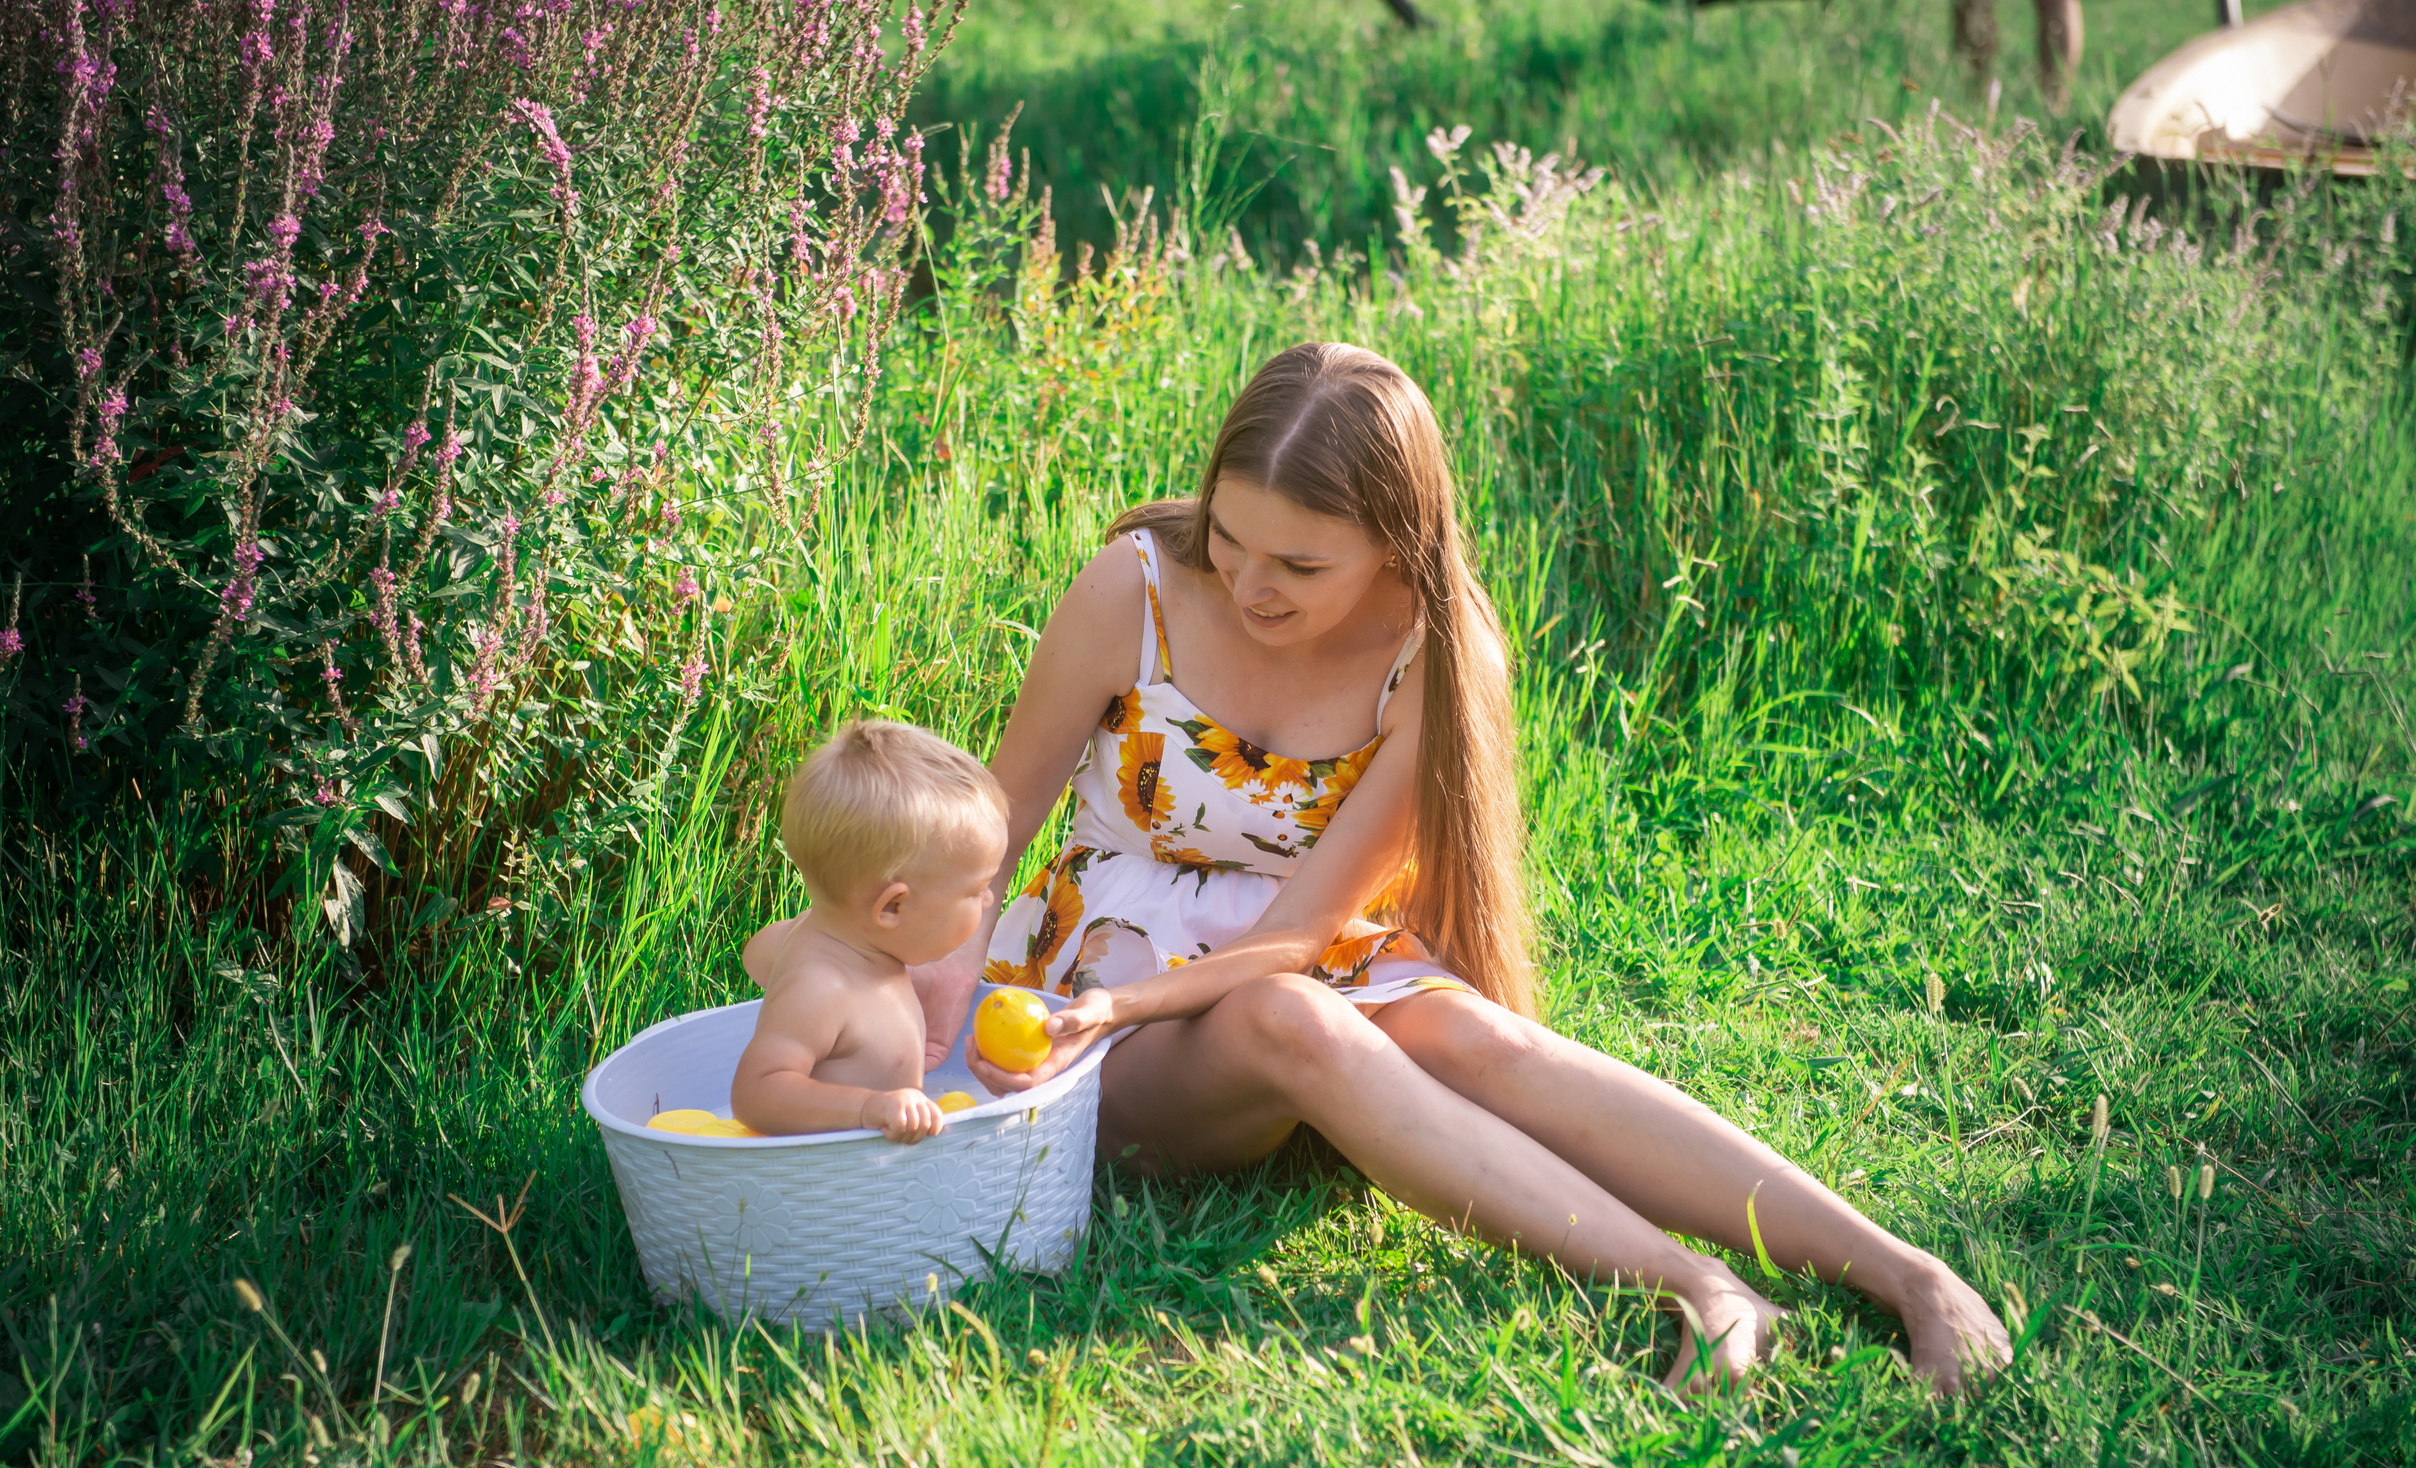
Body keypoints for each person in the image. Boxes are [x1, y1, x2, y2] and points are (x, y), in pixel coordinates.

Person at [913, 342, 2012, 1394]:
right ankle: (1698, 1283)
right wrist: (934, 1025)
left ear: (1395, 542)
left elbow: (1298, 937)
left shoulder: (1434, 652)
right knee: (1287, 1019)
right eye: (1233, 537)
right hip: (1108, 989)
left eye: (1300, 563)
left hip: (1301, 953)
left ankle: (1907, 1272)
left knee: (1473, 1034)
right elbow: (995, 827)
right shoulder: (1138, 587)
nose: (1250, 582)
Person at [730, 720, 1008, 1141]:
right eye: (976, 890)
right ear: (892, 907)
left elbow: (757, 951)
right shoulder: (824, 988)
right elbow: (755, 1093)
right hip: (838, 1185)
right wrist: (866, 1108)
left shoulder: (838, 939)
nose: (989, 901)